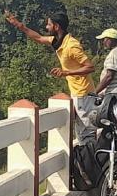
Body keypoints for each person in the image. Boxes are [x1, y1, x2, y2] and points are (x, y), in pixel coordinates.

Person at [5, 10, 96, 145]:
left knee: (86, 134)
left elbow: (90, 67)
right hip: (77, 93)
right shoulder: (58, 41)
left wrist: (66, 73)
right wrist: (19, 25)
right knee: (81, 134)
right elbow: (38, 38)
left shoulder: (72, 46)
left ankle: (93, 163)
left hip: (83, 94)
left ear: (57, 27)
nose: (46, 28)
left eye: (49, 25)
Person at [95, 28, 117, 96]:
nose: (103, 42)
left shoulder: (116, 53)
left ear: (110, 39)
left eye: (104, 39)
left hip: (116, 93)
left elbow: (109, 76)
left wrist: (95, 92)